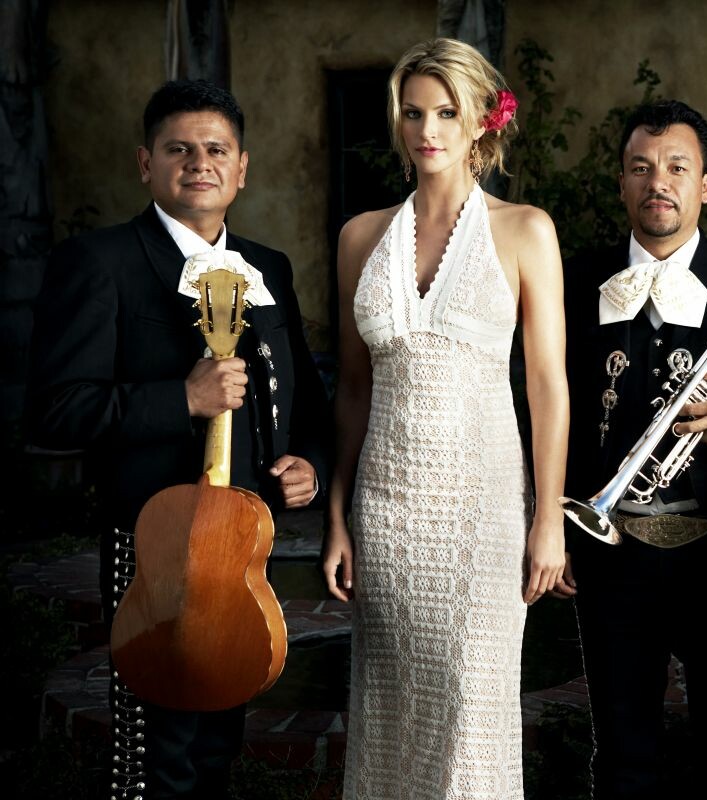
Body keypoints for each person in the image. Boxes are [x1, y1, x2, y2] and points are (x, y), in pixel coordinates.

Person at [25, 80, 330, 799]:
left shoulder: (269, 267)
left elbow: (309, 407)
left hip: (244, 543)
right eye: (179, 149)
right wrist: (181, 399)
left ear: (242, 168)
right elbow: (53, 414)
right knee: (154, 759)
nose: (200, 163)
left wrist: (310, 465)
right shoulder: (100, 262)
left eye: (217, 150)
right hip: (151, 541)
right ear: (145, 163)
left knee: (217, 747)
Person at [319, 38, 569, 800]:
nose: (427, 130)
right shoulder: (360, 238)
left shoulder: (525, 230)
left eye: (446, 113)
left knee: (470, 714)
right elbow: (353, 390)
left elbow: (547, 386)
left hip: (482, 514)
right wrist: (337, 517)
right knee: (390, 716)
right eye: (413, 113)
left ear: (482, 121)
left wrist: (548, 519)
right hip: (386, 511)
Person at [559, 99, 707, 799]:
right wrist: (552, 522)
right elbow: (542, 407)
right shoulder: (574, 282)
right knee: (621, 759)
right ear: (622, 184)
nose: (657, 182)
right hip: (610, 553)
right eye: (640, 168)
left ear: (706, 185)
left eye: (676, 167)